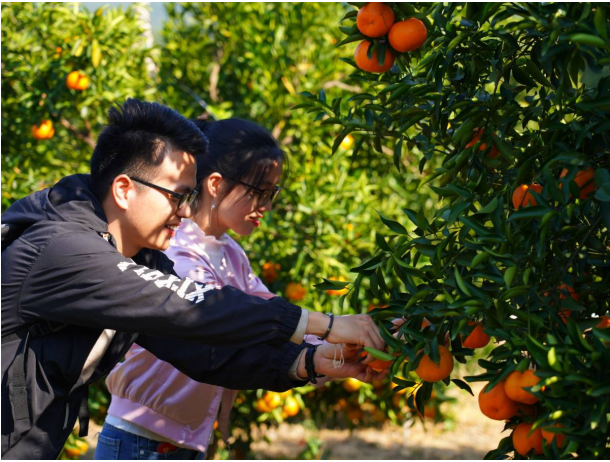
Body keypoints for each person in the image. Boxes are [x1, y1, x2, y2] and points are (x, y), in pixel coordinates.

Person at [0, 99, 384, 460]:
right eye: (176, 196)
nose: (185, 212)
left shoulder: (138, 258)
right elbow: (192, 305)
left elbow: (203, 350)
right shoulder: (62, 252)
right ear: (124, 189)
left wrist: (313, 362)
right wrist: (328, 325)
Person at [97, 118, 342, 459]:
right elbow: (229, 333)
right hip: (142, 440)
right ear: (215, 183)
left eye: (272, 193)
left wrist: (356, 341)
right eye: (260, 191)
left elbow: (276, 318)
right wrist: (328, 344)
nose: (266, 206)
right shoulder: (176, 250)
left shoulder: (230, 253)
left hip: (182, 440)